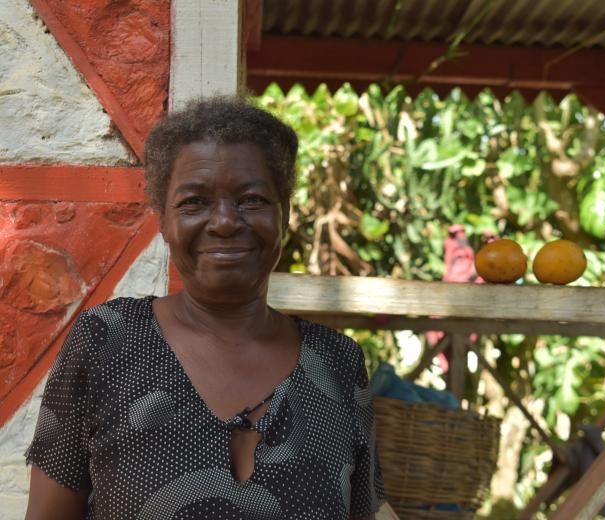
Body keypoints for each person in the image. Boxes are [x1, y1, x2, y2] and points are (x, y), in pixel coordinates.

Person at [24, 97, 385, 519]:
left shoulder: (337, 363)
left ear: (284, 213)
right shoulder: (107, 342)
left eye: (251, 199)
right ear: (163, 219)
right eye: (194, 202)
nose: (225, 222)